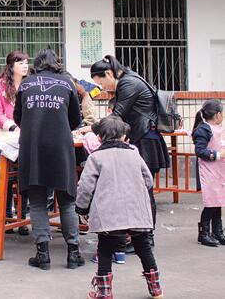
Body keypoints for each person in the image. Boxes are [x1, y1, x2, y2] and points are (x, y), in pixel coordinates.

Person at [77, 116, 163, 299]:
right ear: (124, 136)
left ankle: (104, 291)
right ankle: (156, 289)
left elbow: (85, 186)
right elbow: (148, 180)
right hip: (136, 210)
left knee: (105, 249)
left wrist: (82, 209)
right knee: (143, 247)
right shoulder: (134, 154)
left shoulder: (95, 157)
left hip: (108, 213)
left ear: (99, 137)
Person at [13, 49, 84, 270]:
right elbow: (76, 119)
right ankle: (73, 254)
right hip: (61, 146)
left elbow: (18, 117)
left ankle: (42, 255)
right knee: (67, 200)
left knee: (37, 200)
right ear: (56, 63)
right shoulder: (67, 83)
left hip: (32, 147)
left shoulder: (26, 84)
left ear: (37, 63)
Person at [90, 55, 170, 247]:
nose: (102, 88)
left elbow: (117, 116)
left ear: (109, 74)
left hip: (145, 142)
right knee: (138, 190)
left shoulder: (128, 83)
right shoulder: (128, 80)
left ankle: (146, 239)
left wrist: (91, 128)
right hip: (142, 139)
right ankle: (138, 237)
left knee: (144, 191)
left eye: (101, 82)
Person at [0, 50, 30, 235]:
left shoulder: (30, 84)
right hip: (7, 136)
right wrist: (13, 127)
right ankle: (6, 216)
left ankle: (22, 218)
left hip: (27, 136)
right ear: (11, 65)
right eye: (21, 63)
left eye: (26, 62)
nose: (25, 66)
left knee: (24, 177)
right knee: (6, 177)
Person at [191, 99, 225, 247]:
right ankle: (203, 233)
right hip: (208, 171)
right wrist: (218, 154)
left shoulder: (218, 128)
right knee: (211, 203)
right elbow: (200, 151)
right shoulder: (203, 130)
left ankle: (217, 232)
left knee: (218, 202)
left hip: (219, 171)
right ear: (217, 115)